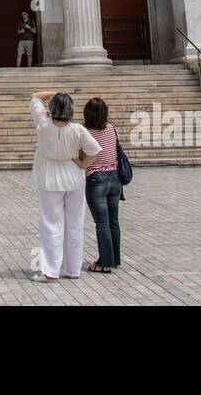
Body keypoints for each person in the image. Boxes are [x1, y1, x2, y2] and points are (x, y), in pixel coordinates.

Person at [29, 91, 100, 283]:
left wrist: (56, 92)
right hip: (74, 178)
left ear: (51, 109)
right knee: (75, 225)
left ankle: (51, 270)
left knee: (51, 225)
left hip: (50, 179)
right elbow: (94, 149)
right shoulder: (78, 129)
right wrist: (83, 164)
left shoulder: (43, 124)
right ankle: (73, 269)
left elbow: (35, 96)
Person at [81, 98, 122, 273]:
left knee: (102, 223)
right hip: (115, 179)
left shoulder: (84, 131)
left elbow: (83, 156)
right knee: (113, 221)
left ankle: (105, 262)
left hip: (96, 179)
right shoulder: (112, 128)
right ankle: (114, 258)